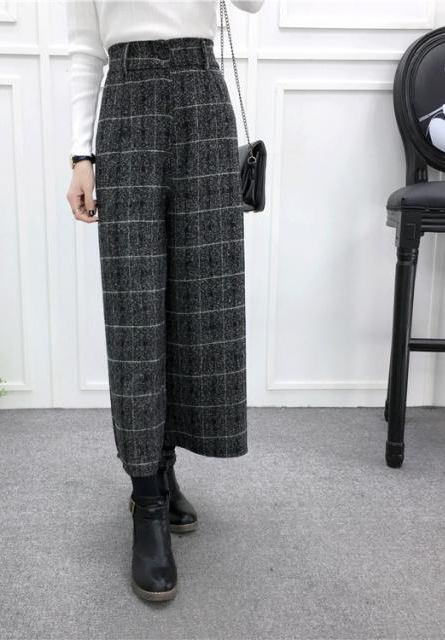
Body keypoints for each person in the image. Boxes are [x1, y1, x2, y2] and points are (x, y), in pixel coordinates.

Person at [66, 0, 264, 602]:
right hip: (125, 100)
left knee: (202, 300)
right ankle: (147, 498)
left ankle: (165, 462)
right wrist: (81, 155)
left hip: (202, 95)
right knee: (135, 304)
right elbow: (84, 49)